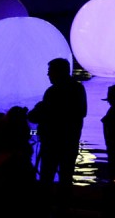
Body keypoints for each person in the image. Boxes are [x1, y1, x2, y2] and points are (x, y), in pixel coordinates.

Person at [28, 57, 87, 205]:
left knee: (46, 178)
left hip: (52, 143)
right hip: (70, 142)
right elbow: (82, 112)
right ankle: (63, 210)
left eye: (50, 72)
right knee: (66, 179)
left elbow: (41, 115)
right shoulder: (78, 88)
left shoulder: (53, 92)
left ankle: (44, 209)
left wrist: (37, 110)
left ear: (58, 72)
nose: (48, 75)